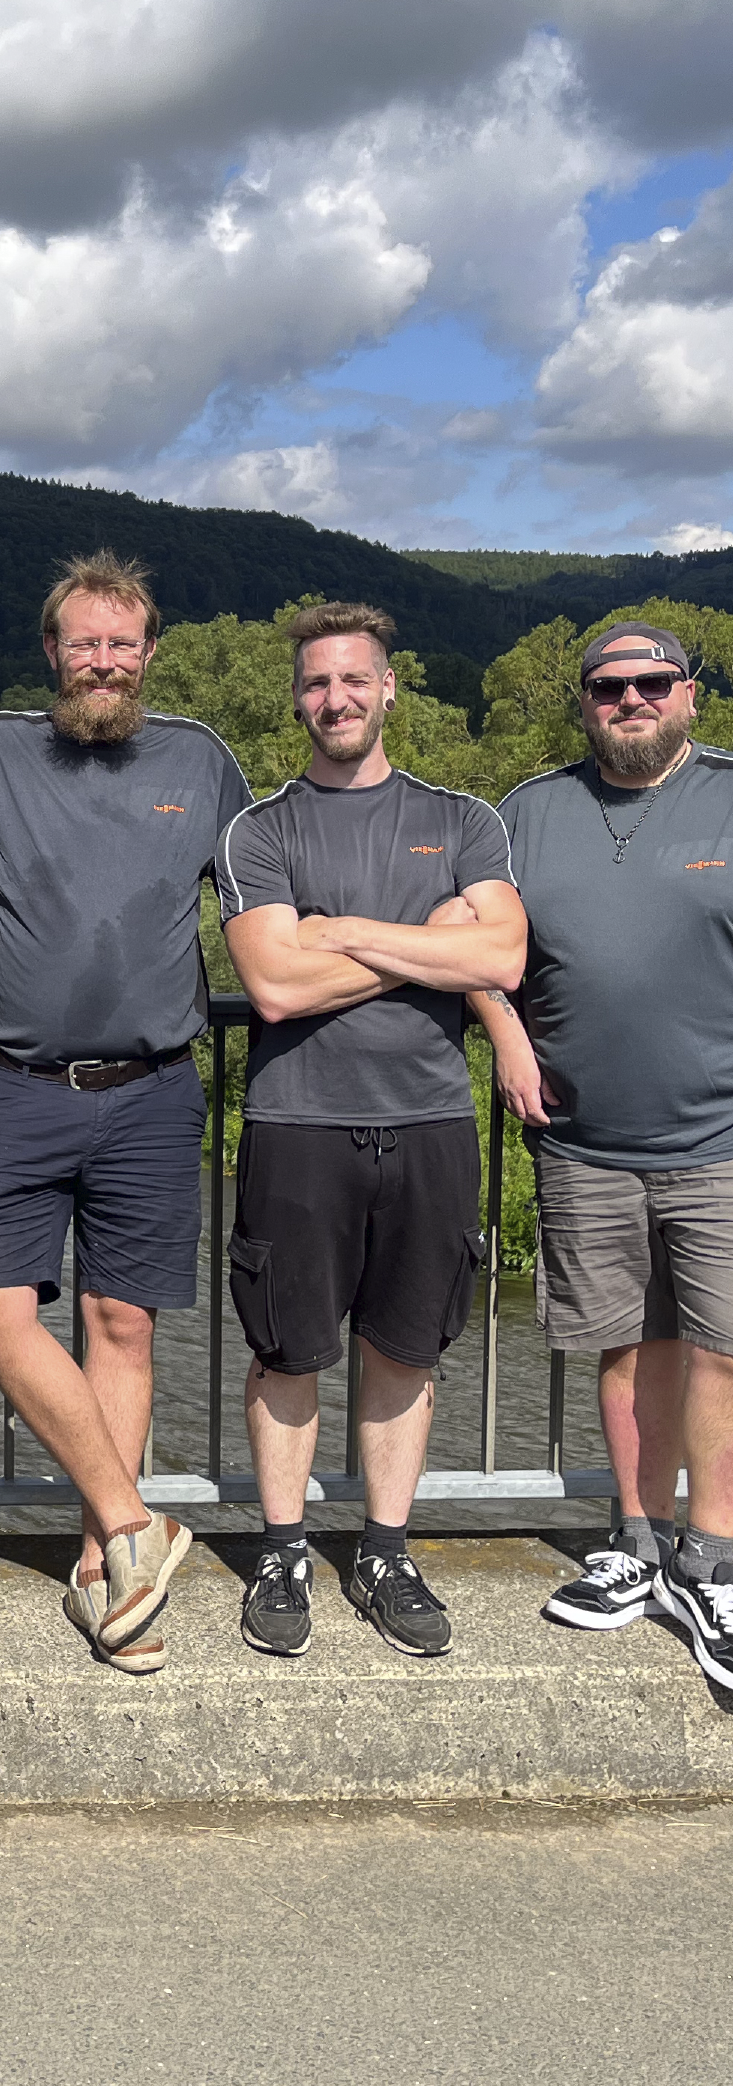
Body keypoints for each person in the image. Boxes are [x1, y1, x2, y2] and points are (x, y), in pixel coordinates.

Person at [0, 551, 251, 1674]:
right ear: (50, 650)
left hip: (154, 1091)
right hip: (15, 1085)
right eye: (83, 642)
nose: (102, 661)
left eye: (121, 643)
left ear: (148, 653)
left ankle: (109, 1574)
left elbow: (270, 900)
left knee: (121, 1323)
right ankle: (137, 1520)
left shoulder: (200, 761)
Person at [219, 603, 525, 1659]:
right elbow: (273, 985)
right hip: (296, 1121)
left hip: (430, 1119)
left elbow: (500, 958)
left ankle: (384, 1552)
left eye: (354, 679)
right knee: (287, 1350)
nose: (335, 698)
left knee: (404, 1348)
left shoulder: (463, 818)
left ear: (390, 687)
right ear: (296, 698)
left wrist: (341, 932)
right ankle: (283, 1550)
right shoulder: (261, 830)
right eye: (316, 682)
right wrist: (422, 943)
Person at [470, 623, 733, 1679]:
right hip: (580, 1142)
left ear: (689, 695)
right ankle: (636, 1540)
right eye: (608, 686)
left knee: (721, 1348)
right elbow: (472, 940)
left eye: (652, 683)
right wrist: (503, 1033)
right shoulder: (528, 811)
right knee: (623, 1347)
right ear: (583, 701)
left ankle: (710, 1560)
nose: (630, 700)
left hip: (720, 1138)